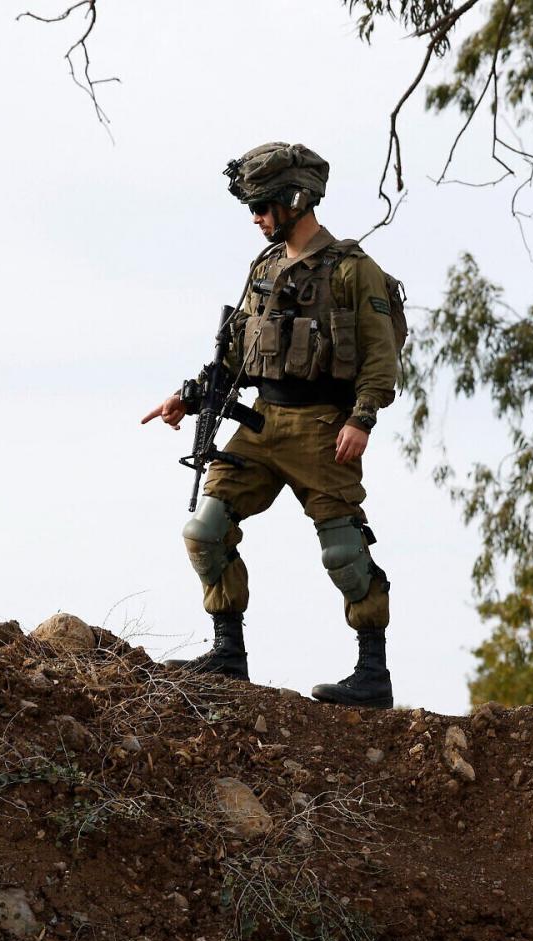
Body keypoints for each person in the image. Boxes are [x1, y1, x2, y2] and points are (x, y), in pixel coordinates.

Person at [142, 141, 399, 709]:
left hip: (323, 427)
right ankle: (227, 654)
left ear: (296, 199)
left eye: (263, 206)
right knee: (204, 531)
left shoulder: (355, 272)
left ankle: (371, 672)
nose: (256, 218)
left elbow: (382, 359)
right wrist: (188, 396)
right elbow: (236, 352)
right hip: (260, 422)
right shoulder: (264, 268)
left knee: (343, 551)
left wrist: (362, 419)